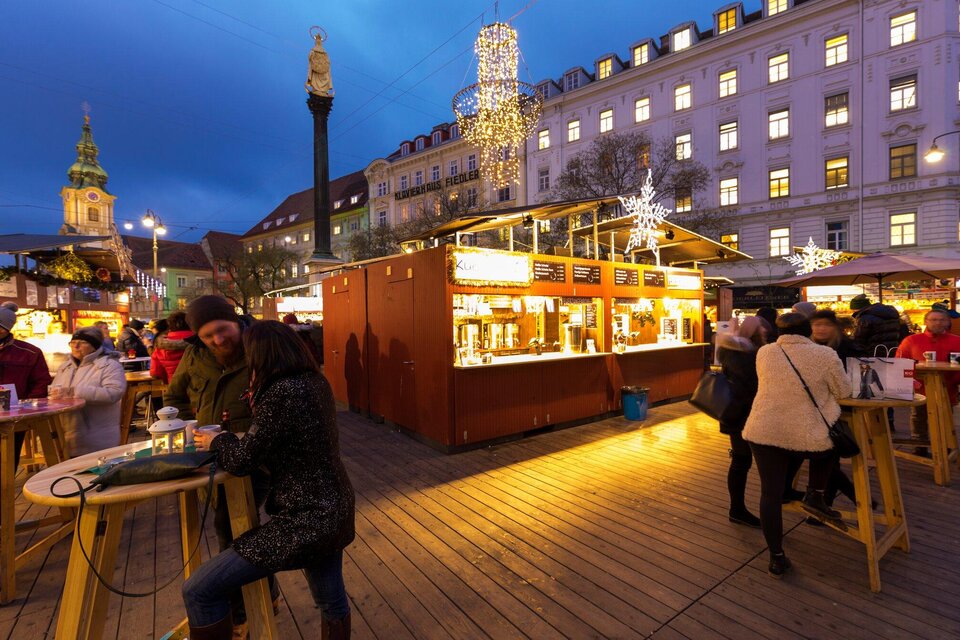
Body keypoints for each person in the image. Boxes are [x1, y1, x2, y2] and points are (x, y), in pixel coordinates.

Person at [184, 320, 354, 639]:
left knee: (199, 589)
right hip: (334, 508)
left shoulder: (281, 392)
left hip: (305, 519)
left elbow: (242, 461)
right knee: (331, 601)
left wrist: (218, 440)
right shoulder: (314, 381)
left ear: (260, 355)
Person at [163, 295, 267, 637]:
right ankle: (265, 598)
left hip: (255, 455)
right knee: (233, 527)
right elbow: (174, 396)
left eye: (223, 330)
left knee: (231, 528)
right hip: (209, 458)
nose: (218, 340)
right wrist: (186, 426)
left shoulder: (260, 346)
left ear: (235, 321)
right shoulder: (194, 355)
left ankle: (241, 614)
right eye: (208, 335)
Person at [742, 313, 851, 578]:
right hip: (804, 433)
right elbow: (844, 392)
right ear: (808, 330)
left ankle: (776, 557)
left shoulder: (765, 352)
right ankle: (816, 494)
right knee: (828, 447)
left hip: (764, 429)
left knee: (770, 494)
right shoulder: (825, 355)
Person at [716, 316, 766, 528]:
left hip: (736, 412)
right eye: (762, 329)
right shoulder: (743, 352)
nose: (764, 332)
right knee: (742, 461)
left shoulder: (731, 349)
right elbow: (747, 384)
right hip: (742, 413)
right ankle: (737, 509)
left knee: (741, 460)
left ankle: (737, 509)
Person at [50, 327, 126, 457]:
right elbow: (56, 390)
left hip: (96, 436)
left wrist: (74, 392)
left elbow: (114, 393)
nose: (76, 346)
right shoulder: (65, 367)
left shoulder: (109, 365)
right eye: (73, 342)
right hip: (67, 434)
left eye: (82, 343)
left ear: (94, 346)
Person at [897, 309, 960, 449]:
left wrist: (955, 380)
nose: (938, 323)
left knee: (945, 418)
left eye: (942, 320)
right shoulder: (911, 340)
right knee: (918, 417)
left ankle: (946, 446)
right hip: (919, 389)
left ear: (948, 322)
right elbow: (900, 362)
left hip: (947, 389)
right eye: (934, 320)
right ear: (926, 322)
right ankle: (919, 446)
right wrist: (910, 382)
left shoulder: (957, 341)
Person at [0, 302, 52, 466]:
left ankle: (7, 483)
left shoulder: (29, 352)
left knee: (8, 458)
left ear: (5, 329)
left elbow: (41, 382)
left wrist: (25, 408)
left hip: (13, 416)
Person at [150, 311, 192, 384]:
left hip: (175, 386)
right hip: (201, 387)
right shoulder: (202, 340)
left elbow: (156, 374)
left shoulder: (160, 346)